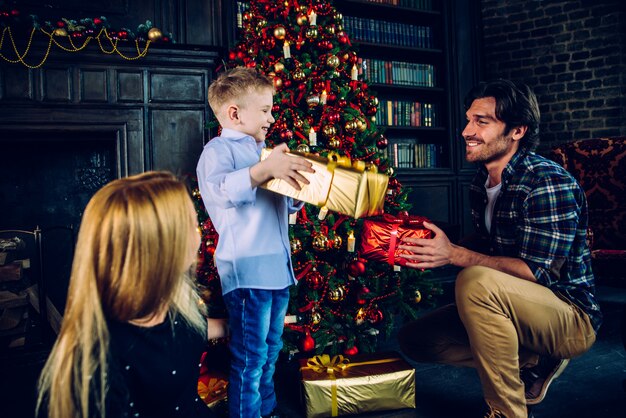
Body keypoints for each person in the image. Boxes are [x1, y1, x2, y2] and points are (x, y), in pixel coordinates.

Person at [397, 79, 601, 418]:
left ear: (517, 130)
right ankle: (531, 358)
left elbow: (537, 273)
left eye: (482, 121)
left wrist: (457, 256)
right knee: (416, 340)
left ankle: (507, 412)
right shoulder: (484, 181)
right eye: (468, 119)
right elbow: (490, 245)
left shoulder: (546, 181)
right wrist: (435, 248)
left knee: (475, 281)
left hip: (569, 317)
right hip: (517, 307)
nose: (466, 130)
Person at [36, 171, 228, 418]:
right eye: (191, 226)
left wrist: (231, 326)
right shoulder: (103, 362)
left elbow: (182, 331)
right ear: (160, 247)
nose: (199, 237)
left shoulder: (167, 300)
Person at [196, 67, 314, 418]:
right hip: (247, 273)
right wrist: (265, 170)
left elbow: (282, 205)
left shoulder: (263, 154)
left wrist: (297, 189)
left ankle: (268, 409)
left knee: (271, 348)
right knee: (250, 357)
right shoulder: (218, 151)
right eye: (264, 110)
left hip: (278, 269)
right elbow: (221, 190)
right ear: (235, 113)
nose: (271, 117)